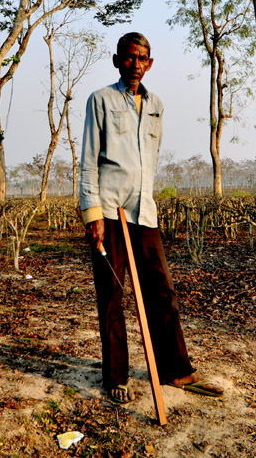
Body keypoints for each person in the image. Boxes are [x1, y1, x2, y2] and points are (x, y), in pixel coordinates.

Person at [80, 32, 223, 404]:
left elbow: (149, 163)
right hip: (109, 212)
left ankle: (176, 370)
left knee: (162, 290)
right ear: (117, 60)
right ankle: (116, 377)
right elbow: (88, 161)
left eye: (142, 58)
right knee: (112, 295)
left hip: (144, 212)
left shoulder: (156, 104)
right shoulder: (101, 100)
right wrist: (92, 213)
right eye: (129, 58)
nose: (136, 65)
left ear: (150, 63)